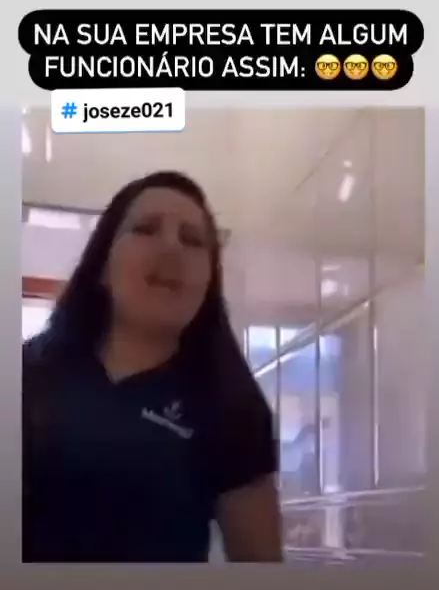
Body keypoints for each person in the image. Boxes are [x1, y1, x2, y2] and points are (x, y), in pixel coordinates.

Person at [23, 171, 282, 563]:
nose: (172, 247)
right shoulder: (27, 374)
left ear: (209, 283)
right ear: (102, 267)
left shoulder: (233, 408)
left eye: (193, 240)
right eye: (145, 229)